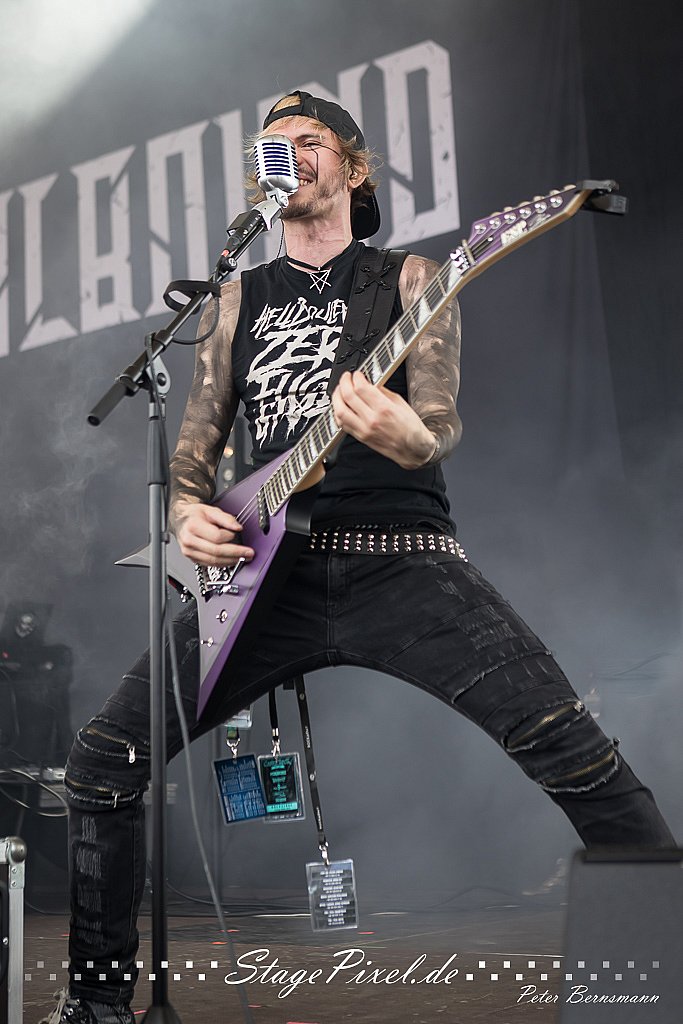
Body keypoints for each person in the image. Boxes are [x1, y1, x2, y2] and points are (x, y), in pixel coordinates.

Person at [46, 91, 675, 1024]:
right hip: (260, 576)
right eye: (273, 146)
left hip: (400, 559)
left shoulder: (411, 276)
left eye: (309, 141)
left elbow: (438, 425)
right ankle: (96, 1006)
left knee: (577, 757)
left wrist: (408, 436)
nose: (289, 155)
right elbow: (195, 447)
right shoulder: (234, 299)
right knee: (103, 764)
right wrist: (183, 514)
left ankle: (641, 993)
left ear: (354, 165)